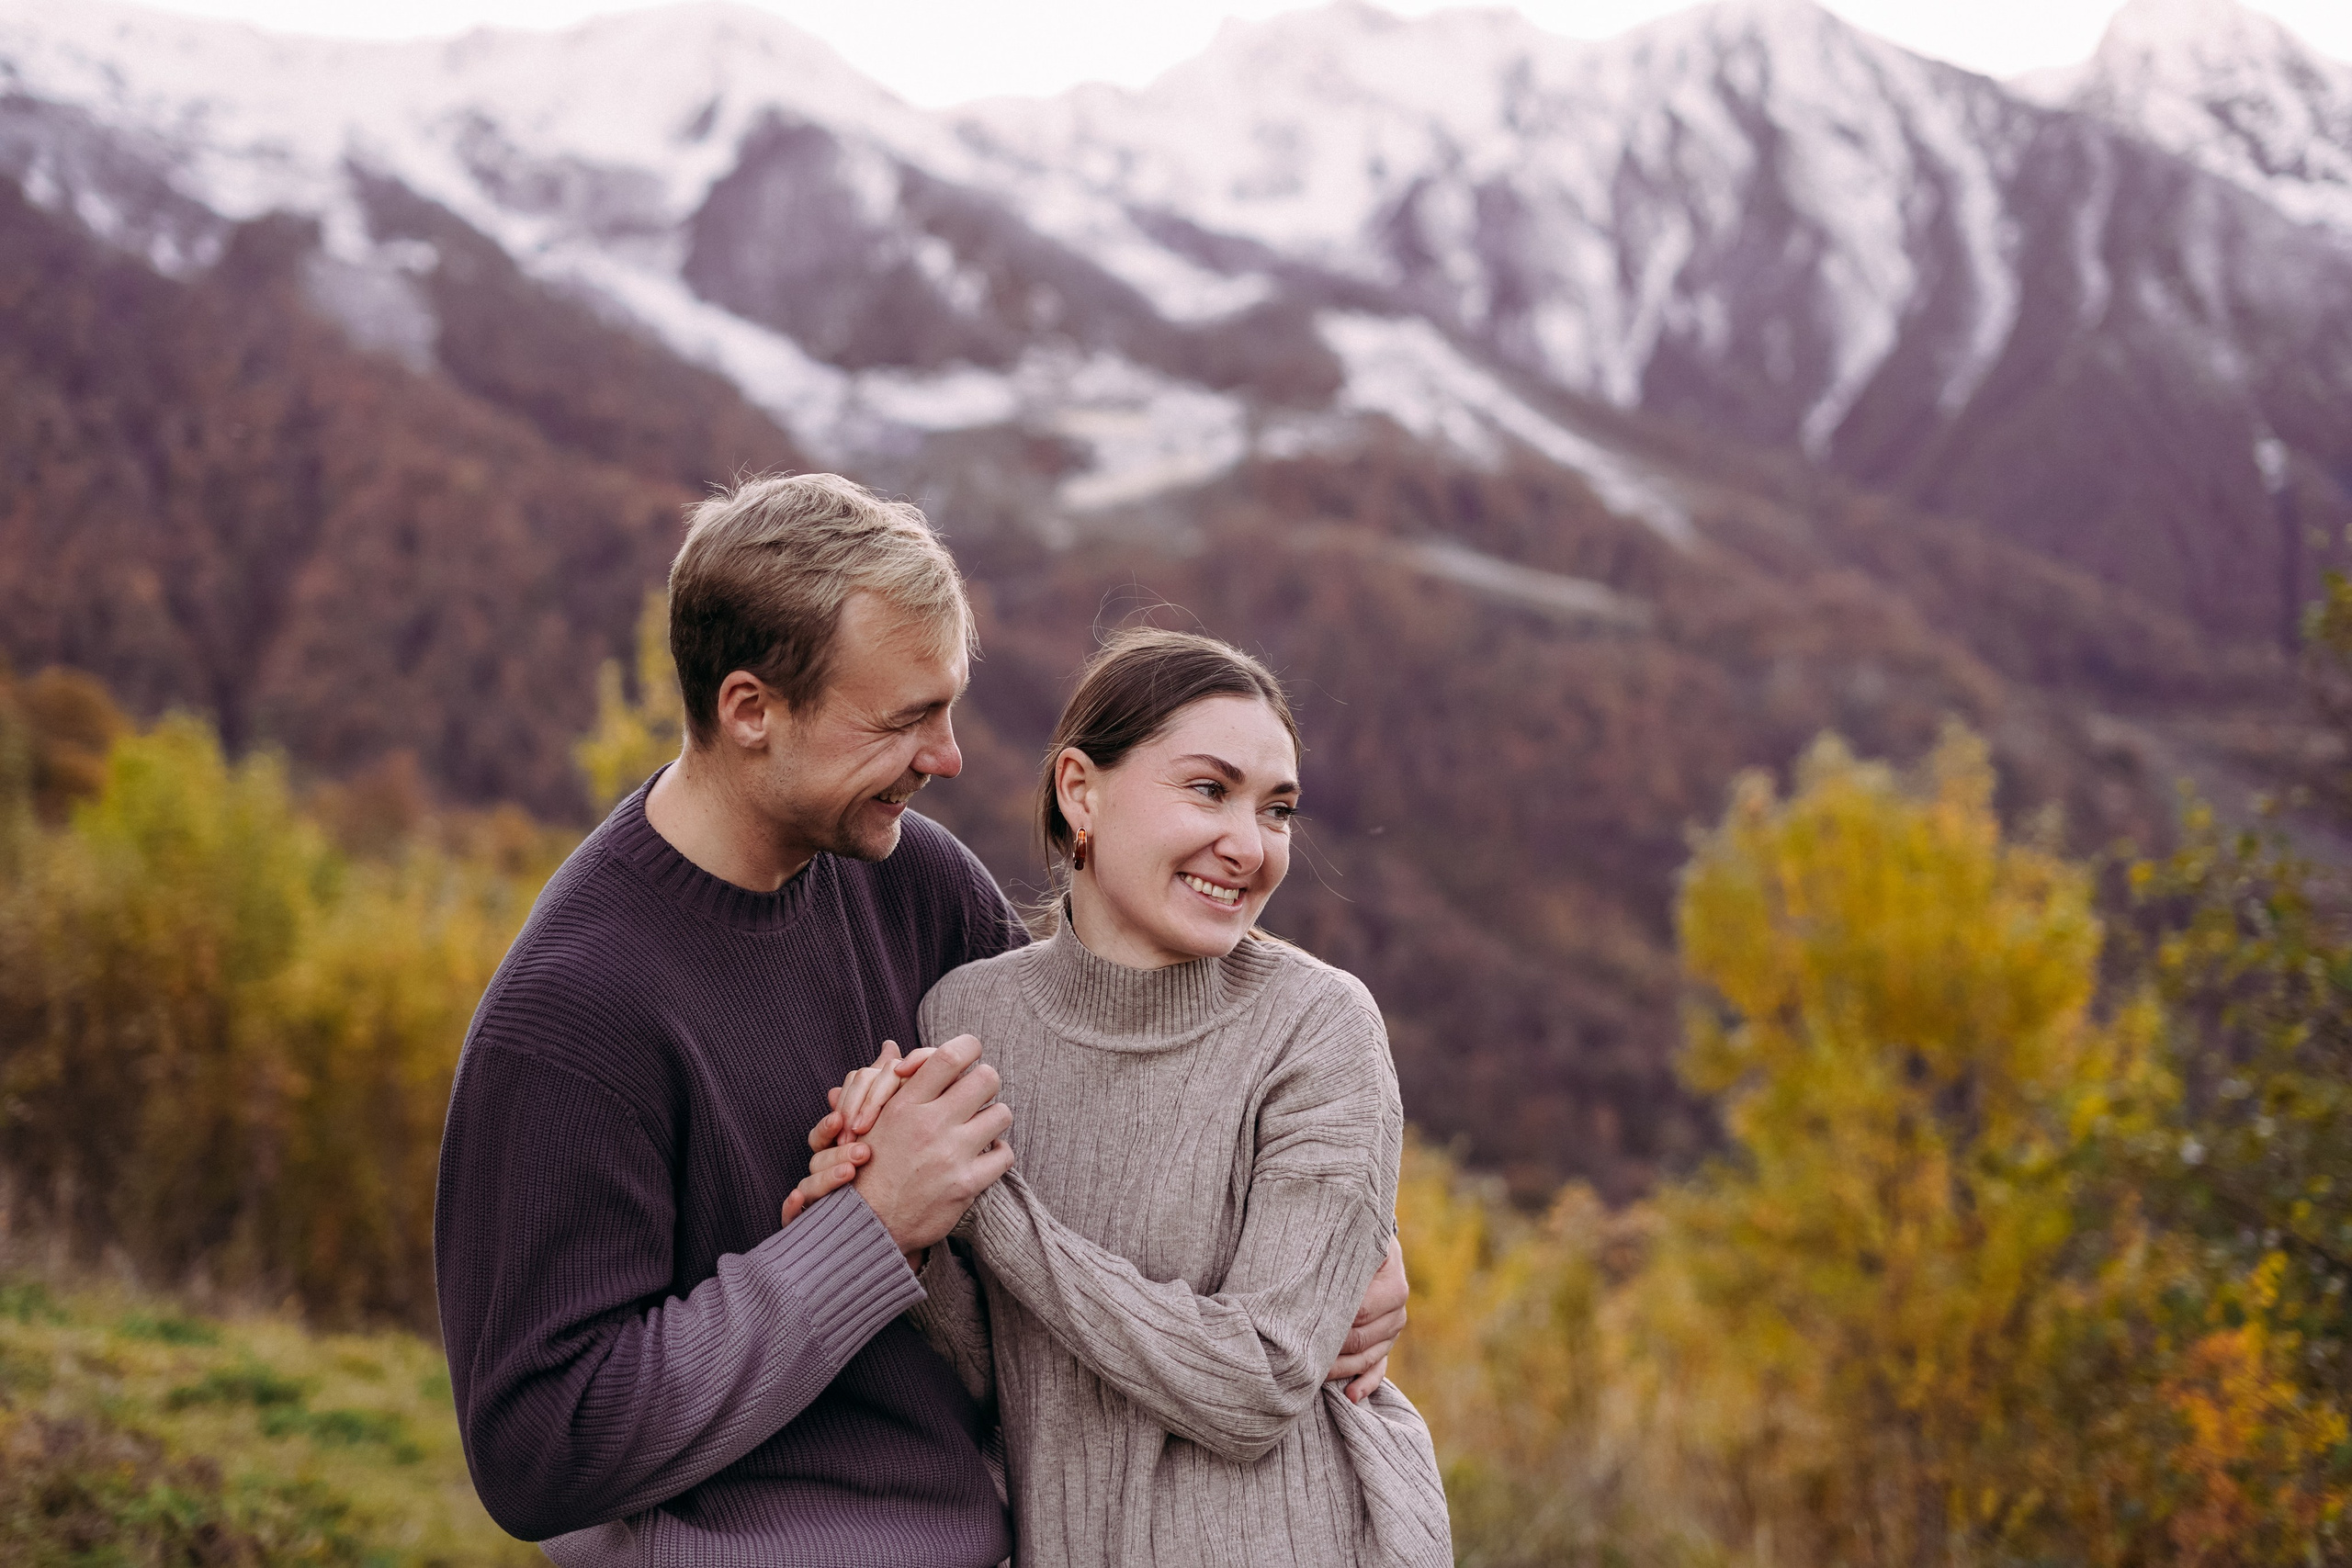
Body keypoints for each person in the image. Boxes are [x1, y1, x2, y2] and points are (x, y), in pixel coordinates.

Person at [432, 474, 1408, 1568]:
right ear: (752, 712)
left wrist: (1337, 1230)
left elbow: (1094, 1108)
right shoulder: (573, 1015)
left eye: (946, 706)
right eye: (904, 720)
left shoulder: (911, 883)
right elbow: (536, 1452)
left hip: (1001, 1533)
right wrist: (869, 1228)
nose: (947, 757)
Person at [790, 628, 1453, 1567]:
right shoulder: (967, 1019)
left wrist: (987, 1204)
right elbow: (997, 1374)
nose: (1247, 845)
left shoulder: (1318, 1026)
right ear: (1080, 790)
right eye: (1208, 789)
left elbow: (1260, 1382)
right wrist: (887, 1210)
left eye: (1278, 811)